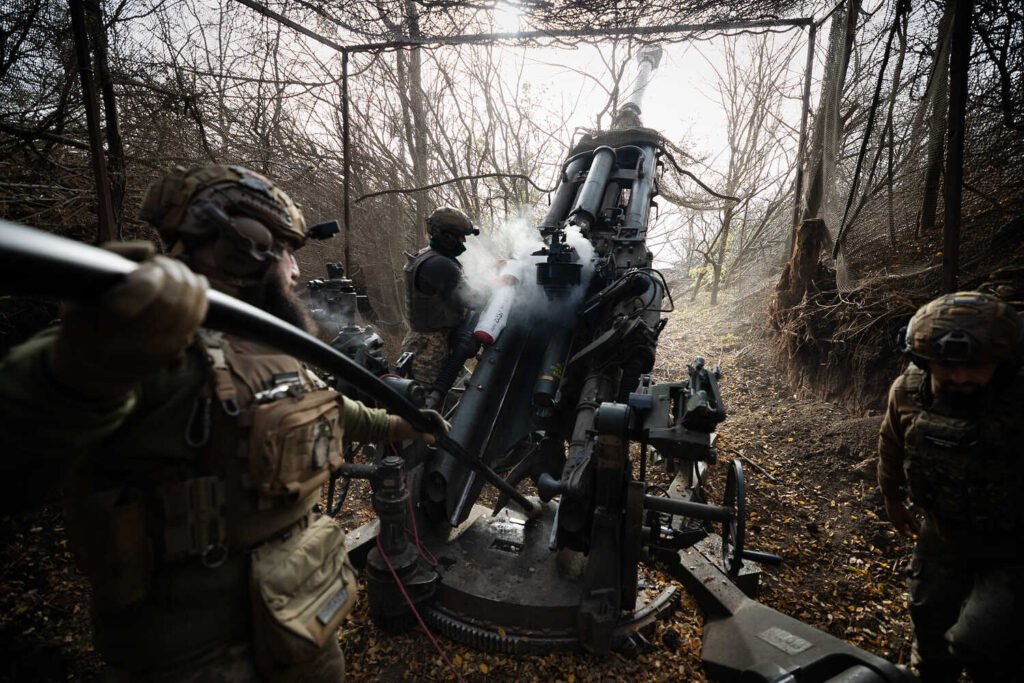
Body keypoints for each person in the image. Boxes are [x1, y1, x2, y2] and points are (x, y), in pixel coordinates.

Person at [0, 165, 441, 682]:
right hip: (195, 656)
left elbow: (326, 407)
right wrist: (86, 365)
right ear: (245, 248)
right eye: (286, 252)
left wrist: (400, 425)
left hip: (301, 620)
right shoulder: (127, 344)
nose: (296, 273)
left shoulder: (264, 347)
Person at [877, 291, 1024, 683]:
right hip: (942, 533)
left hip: (1010, 547)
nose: (959, 377)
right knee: (928, 616)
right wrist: (891, 496)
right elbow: (891, 442)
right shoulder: (909, 392)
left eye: (974, 365)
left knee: (979, 641)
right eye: (945, 365)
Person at [400, 206, 482, 402]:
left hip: (426, 343)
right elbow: (472, 299)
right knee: (426, 406)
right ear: (445, 236)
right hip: (430, 351)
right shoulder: (440, 265)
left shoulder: (429, 256)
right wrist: (499, 284)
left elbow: (453, 288)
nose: (463, 242)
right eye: (460, 236)